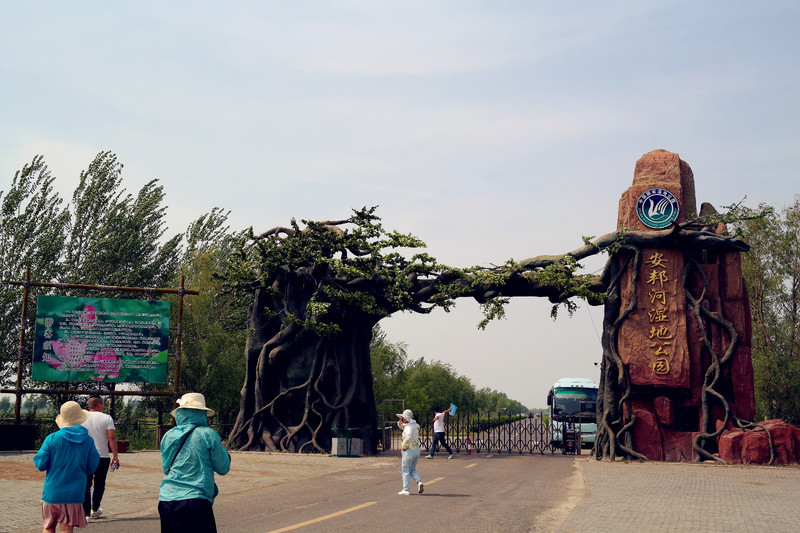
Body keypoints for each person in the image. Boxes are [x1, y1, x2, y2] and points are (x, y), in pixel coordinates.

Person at [158, 392, 231, 533]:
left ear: (180, 414)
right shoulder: (208, 434)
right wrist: (224, 452)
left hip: (167, 500)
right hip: (196, 499)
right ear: (201, 413)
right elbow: (223, 468)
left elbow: (166, 468)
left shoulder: (168, 435)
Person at [34, 401, 100, 533]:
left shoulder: (52, 438)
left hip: (52, 493)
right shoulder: (88, 441)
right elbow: (92, 467)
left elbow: (40, 464)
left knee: (48, 527)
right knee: (66, 529)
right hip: (74, 494)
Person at [81, 395, 118, 520]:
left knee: (85, 484)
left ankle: (85, 514)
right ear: (99, 405)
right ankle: (94, 509)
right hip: (102, 455)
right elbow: (111, 438)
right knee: (99, 483)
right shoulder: (107, 417)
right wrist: (115, 456)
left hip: (85, 455)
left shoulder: (81, 417)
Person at [396, 409, 424, 496]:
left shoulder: (408, 427)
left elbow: (407, 437)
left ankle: (406, 489)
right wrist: (399, 424)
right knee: (412, 469)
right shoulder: (414, 425)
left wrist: (404, 446)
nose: (401, 419)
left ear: (406, 418)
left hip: (408, 451)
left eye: (402, 418)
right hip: (416, 450)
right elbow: (404, 427)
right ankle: (419, 482)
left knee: (405, 470)